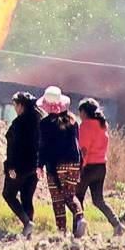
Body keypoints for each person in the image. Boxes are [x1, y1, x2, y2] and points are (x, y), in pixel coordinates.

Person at [38, 86, 86, 238]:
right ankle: (80, 217)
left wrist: (39, 165)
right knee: (70, 195)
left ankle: (61, 232)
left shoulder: (44, 124)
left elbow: (43, 147)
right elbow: (77, 145)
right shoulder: (73, 121)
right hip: (73, 164)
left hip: (55, 165)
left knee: (58, 199)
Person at [76, 97, 125, 236]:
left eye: (80, 112)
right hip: (101, 166)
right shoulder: (103, 124)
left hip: (88, 167)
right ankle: (117, 224)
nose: (80, 115)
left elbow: (84, 149)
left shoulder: (85, 126)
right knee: (98, 200)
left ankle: (78, 228)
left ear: (84, 112)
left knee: (77, 198)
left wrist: (80, 168)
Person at [3, 91, 41, 238]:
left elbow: (12, 147)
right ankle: (28, 234)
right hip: (34, 167)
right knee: (27, 198)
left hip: (19, 167)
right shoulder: (39, 121)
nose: (14, 108)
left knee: (8, 194)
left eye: (15, 105)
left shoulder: (18, 124)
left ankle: (27, 223)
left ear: (21, 106)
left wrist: (11, 167)